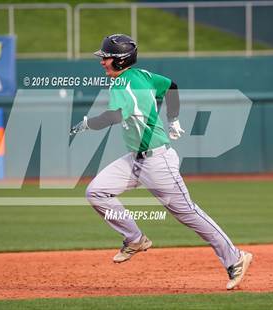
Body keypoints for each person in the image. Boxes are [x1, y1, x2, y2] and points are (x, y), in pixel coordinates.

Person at [70, 34, 252, 290]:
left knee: (188, 213)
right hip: (135, 158)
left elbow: (115, 115)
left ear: (121, 61)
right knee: (97, 191)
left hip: (157, 162)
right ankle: (134, 238)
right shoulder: (141, 75)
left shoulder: (125, 85)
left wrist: (88, 123)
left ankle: (235, 258)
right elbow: (170, 85)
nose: (102, 62)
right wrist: (174, 118)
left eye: (106, 57)